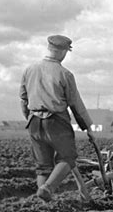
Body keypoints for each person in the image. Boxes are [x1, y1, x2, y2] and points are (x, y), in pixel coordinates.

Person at [19, 35, 95, 202]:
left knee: (43, 166)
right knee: (68, 157)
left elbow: (23, 99)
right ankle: (48, 188)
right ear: (62, 52)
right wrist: (88, 127)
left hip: (34, 122)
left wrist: (30, 118)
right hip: (56, 122)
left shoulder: (29, 70)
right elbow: (75, 104)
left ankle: (42, 203)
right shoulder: (65, 74)